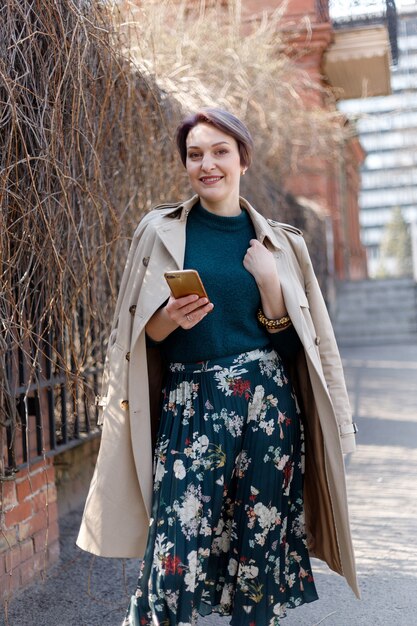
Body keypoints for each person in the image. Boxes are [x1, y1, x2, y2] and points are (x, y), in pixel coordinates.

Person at [77, 108, 359, 625]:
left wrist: (271, 284)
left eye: (220, 152)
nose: (208, 164)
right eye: (195, 154)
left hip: (268, 407)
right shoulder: (158, 231)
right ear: (185, 163)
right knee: (173, 550)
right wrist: (167, 319)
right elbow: (136, 337)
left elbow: (300, 348)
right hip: (191, 405)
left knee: (260, 549)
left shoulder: (282, 242)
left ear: (242, 160)